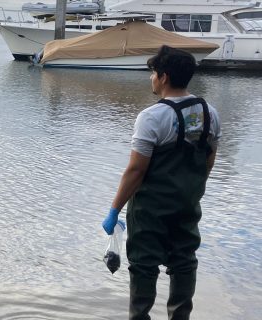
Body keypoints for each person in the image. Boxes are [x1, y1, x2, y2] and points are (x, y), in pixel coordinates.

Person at [101, 45, 221, 320]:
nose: (151, 78)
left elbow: (135, 170)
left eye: (153, 73)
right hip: (187, 206)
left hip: (150, 211)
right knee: (184, 263)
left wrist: (114, 210)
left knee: (143, 267)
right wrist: (191, 192)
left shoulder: (152, 117)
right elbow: (209, 161)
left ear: (164, 76)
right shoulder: (210, 113)